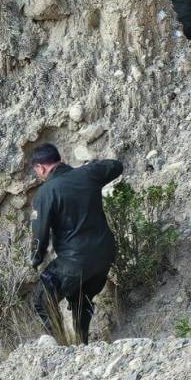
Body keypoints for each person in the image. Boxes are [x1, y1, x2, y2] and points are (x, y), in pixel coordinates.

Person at [29, 143, 123, 344]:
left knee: (41, 300)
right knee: (82, 298)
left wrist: (35, 258)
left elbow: (40, 235)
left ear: (41, 168)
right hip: (103, 256)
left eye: (37, 171)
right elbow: (116, 166)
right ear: (59, 159)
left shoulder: (46, 192)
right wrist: (91, 167)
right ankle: (82, 345)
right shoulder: (88, 174)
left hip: (75, 262)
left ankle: (59, 348)